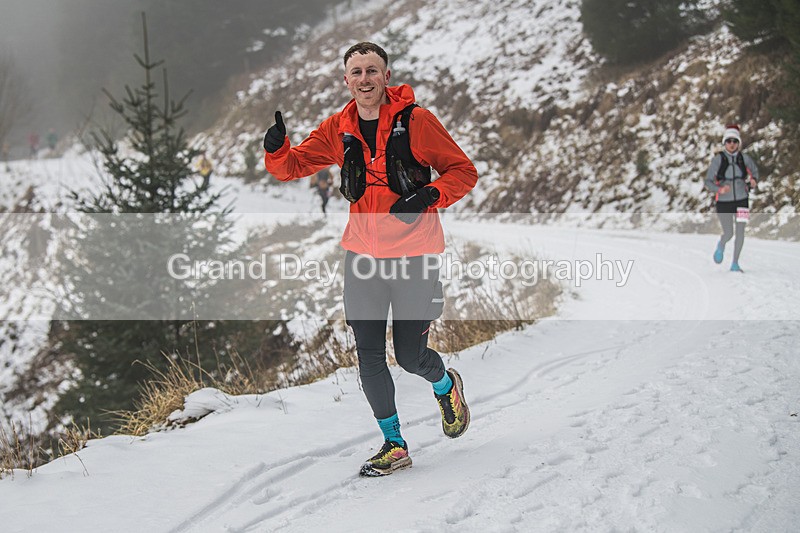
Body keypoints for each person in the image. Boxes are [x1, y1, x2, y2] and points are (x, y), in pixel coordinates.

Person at [263, 42, 478, 477]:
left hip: (415, 256)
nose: (365, 79)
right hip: (362, 257)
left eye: (372, 70)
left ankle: (445, 385)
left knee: (411, 357)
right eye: (357, 72)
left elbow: (463, 172)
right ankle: (394, 444)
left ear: (386, 76)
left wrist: (428, 196)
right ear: (346, 80)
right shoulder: (338, 129)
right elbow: (292, 167)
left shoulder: (416, 122)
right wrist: (277, 150)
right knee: (369, 357)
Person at [704, 124, 759, 272]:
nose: (732, 144)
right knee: (729, 232)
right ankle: (721, 244)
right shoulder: (718, 160)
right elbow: (708, 181)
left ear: (738, 143)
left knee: (741, 232)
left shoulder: (744, 158)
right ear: (724, 143)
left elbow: (755, 172)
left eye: (735, 141)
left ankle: (735, 263)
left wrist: (753, 181)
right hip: (723, 202)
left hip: (742, 200)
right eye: (729, 141)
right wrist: (720, 189)